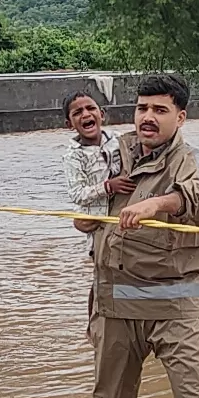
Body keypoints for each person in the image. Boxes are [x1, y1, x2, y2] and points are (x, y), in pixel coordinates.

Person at [77, 73, 199, 398]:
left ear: (180, 117)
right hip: (113, 304)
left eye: (160, 110)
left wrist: (157, 204)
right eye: (143, 108)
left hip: (174, 306)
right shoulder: (113, 157)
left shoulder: (192, 161)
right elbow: (82, 215)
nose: (148, 117)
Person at [61, 91, 130, 347]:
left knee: (123, 272)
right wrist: (108, 186)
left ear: (101, 114)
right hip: (97, 225)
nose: (85, 114)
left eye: (90, 108)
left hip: (123, 218)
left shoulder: (119, 141)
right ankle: (93, 326)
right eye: (77, 112)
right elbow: (77, 194)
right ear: (70, 124)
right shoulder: (73, 155)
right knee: (100, 275)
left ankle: (123, 322)